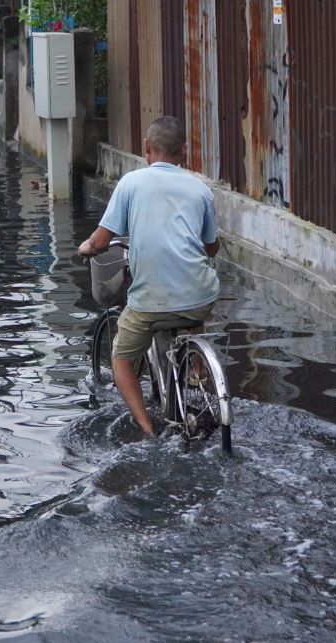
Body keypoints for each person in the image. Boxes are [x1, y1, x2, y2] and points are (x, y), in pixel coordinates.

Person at [78, 115, 220, 437]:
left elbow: (101, 241)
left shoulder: (131, 183)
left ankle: (147, 428)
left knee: (121, 359)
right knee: (195, 289)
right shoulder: (201, 191)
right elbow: (212, 249)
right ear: (184, 151)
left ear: (146, 149)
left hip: (150, 304)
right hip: (200, 299)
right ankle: (196, 366)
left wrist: (85, 248)